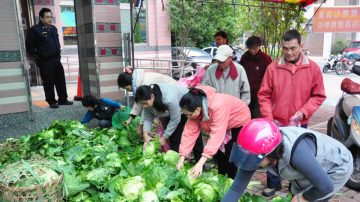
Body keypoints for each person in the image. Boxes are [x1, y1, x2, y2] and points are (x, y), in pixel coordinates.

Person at [258, 29, 326, 196]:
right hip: (276, 121)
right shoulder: (273, 68)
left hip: (299, 122)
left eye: (293, 48)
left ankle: (296, 186)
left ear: (301, 46)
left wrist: (304, 111)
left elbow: (318, 95)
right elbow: (264, 94)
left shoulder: (313, 68)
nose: (289, 52)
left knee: (298, 155)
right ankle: (274, 184)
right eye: (285, 48)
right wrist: (269, 118)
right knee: (273, 154)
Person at [222, 119, 353, 202]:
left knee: (314, 197)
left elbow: (325, 187)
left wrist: (303, 198)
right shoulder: (256, 151)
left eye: (251, 159)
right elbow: (236, 189)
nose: (248, 162)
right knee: (298, 194)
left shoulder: (298, 154)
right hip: (307, 168)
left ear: (270, 155)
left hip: (336, 165)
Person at [176, 86, 251, 179]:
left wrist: (200, 163)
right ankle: (221, 178)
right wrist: (182, 157)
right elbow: (189, 133)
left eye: (189, 114)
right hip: (223, 124)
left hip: (238, 121)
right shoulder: (195, 111)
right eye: (186, 114)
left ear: (197, 109)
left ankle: (231, 182)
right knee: (220, 153)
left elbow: (216, 134)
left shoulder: (217, 106)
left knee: (231, 153)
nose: (188, 117)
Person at [135, 84, 203, 161]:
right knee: (174, 138)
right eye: (142, 104)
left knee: (193, 134)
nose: (144, 106)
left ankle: (199, 161)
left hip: (186, 108)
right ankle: (178, 162)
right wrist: (145, 133)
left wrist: (164, 137)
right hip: (169, 111)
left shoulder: (169, 99)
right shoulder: (148, 102)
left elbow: (175, 119)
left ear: (152, 96)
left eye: (145, 103)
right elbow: (147, 118)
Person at [26, 8, 73, 109]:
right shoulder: (35, 29)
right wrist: (37, 55)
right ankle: (51, 101)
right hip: (45, 61)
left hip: (56, 59)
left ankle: (63, 99)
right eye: (47, 17)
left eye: (51, 17)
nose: (50, 19)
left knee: (60, 79)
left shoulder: (53, 28)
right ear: (41, 18)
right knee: (48, 81)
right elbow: (29, 45)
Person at [117, 68, 177, 134]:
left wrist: (140, 126)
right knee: (165, 124)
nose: (129, 91)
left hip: (174, 94)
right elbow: (139, 102)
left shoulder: (145, 83)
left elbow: (146, 108)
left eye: (127, 88)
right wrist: (131, 118)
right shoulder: (137, 81)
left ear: (129, 82)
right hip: (167, 96)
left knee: (171, 124)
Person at [240, 36, 272, 118]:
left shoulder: (265, 59)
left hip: (259, 94)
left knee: (257, 117)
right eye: (250, 48)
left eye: (255, 48)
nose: (252, 51)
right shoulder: (244, 58)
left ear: (259, 46)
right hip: (245, 92)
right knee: (244, 116)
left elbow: (270, 77)